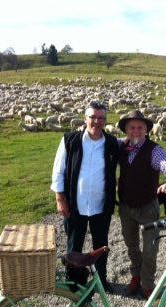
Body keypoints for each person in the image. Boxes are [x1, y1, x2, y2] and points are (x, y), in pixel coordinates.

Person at [50, 101, 119, 292]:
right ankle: (75, 285)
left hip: (101, 205)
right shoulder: (69, 140)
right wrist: (60, 198)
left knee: (101, 245)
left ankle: (101, 281)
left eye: (101, 118)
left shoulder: (112, 143)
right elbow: (58, 171)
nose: (96, 121)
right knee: (74, 246)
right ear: (85, 118)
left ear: (105, 121)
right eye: (92, 117)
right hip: (75, 205)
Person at [117, 110, 166, 299]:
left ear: (146, 130)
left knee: (150, 249)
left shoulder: (153, 150)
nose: (136, 131)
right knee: (131, 246)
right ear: (126, 130)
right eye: (132, 127)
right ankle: (135, 275)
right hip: (126, 207)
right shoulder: (121, 147)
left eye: (140, 128)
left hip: (147, 207)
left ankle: (147, 284)